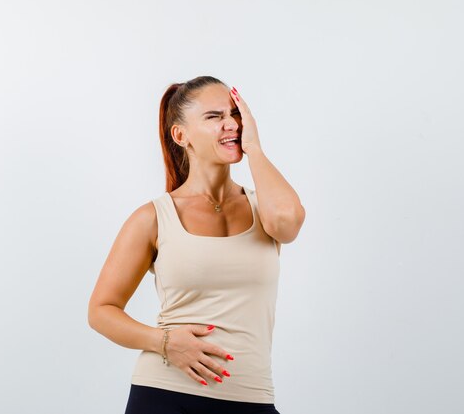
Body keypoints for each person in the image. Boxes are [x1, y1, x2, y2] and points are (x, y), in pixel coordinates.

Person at [88, 75, 305, 414]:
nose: (231, 124)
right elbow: (101, 311)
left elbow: (288, 224)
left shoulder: (265, 208)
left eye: (235, 113)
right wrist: (165, 342)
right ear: (181, 135)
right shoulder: (154, 218)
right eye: (214, 116)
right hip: (165, 395)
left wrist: (255, 149)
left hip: (252, 398)